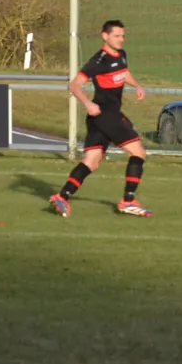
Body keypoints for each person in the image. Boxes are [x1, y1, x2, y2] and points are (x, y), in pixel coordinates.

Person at [51, 18, 152, 217]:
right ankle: (128, 201)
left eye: (123, 36)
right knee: (138, 153)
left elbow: (123, 72)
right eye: (116, 36)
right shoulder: (99, 61)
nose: (121, 39)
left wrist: (136, 85)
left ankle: (62, 197)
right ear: (104, 36)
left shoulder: (121, 54)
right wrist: (88, 104)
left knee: (91, 161)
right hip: (107, 115)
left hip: (100, 118)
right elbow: (74, 85)